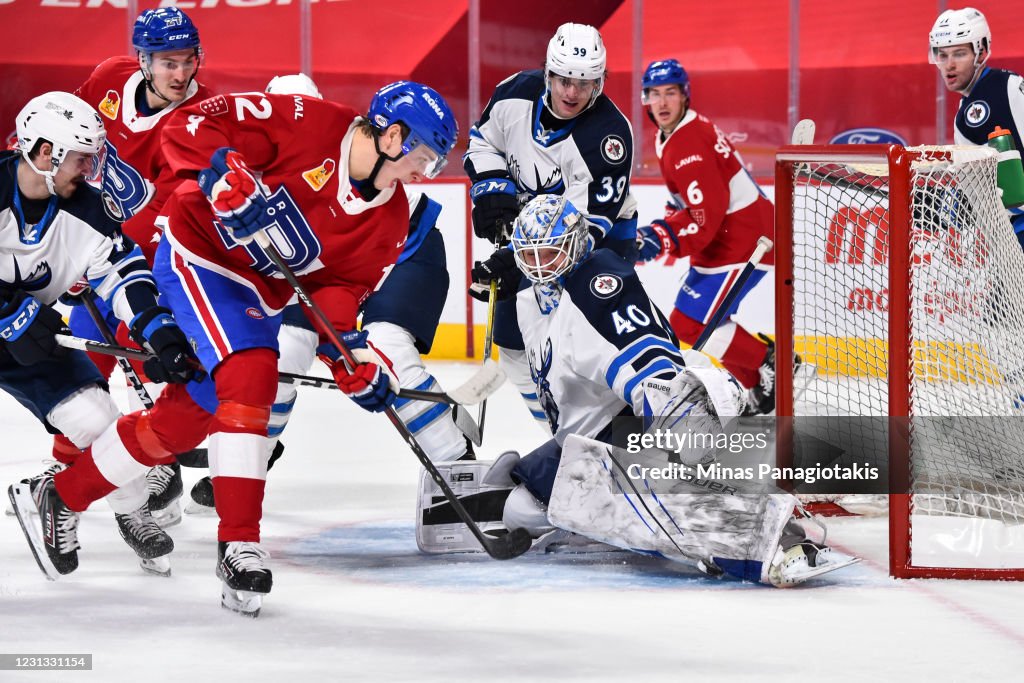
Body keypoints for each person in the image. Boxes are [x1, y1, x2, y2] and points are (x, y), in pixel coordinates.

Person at [12, 81, 458, 617]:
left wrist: (349, 358)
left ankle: (62, 495)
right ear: (392, 136)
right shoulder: (307, 120)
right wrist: (221, 170)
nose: (425, 172)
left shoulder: (388, 222)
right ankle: (240, 543)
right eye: (425, 157)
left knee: (181, 424)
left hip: (256, 294)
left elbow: (334, 297)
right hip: (198, 252)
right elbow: (192, 125)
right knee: (252, 373)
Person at [418, 194, 855, 586]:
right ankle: (615, 515)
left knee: (535, 507)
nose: (540, 268)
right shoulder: (535, 299)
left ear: (575, 243)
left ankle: (749, 531)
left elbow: (647, 362)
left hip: (632, 433)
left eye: (550, 254)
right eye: (529, 258)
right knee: (521, 504)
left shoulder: (597, 278)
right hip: (593, 440)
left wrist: (672, 418)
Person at [185, 75, 470, 513]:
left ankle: (458, 464)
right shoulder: (263, 158)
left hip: (409, 253)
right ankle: (254, 458)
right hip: (340, 269)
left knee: (384, 348)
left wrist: (348, 355)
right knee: (280, 356)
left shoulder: (335, 148)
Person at [4, 92, 196, 579]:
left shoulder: (89, 211)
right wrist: (10, 312)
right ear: (45, 152)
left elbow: (123, 274)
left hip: (32, 340)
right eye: (81, 158)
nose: (90, 170)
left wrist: (159, 331)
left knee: (100, 422)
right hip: (20, 326)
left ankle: (131, 511)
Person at [67, 6, 214, 526]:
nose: (181, 74)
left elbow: (174, 225)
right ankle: (65, 489)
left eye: (189, 60)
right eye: (168, 62)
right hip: (92, 251)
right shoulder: (109, 78)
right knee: (82, 378)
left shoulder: (201, 122)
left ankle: (160, 461)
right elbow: (73, 145)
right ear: (143, 60)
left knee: (171, 362)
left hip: (154, 267)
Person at [464, 22, 638, 428]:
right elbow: (484, 141)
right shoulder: (514, 93)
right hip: (529, 237)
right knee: (511, 341)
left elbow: (581, 230)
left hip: (599, 242)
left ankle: (618, 432)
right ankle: (559, 433)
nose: (571, 93)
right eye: (563, 80)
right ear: (547, 72)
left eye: (584, 82)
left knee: (581, 340)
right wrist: (493, 191)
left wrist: (513, 260)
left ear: (599, 82)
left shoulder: (608, 137)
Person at [634, 59, 777, 414]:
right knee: (691, 322)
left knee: (694, 324)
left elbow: (706, 216)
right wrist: (665, 227)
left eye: (670, 93)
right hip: (728, 238)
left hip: (745, 239)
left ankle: (773, 362)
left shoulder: (688, 142)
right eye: (654, 94)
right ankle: (755, 382)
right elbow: (686, 198)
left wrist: (663, 237)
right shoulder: (674, 134)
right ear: (645, 99)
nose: (662, 102)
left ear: (684, 96)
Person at [928, 7, 1024, 241]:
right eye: (942, 55)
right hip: (1013, 232)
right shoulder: (963, 117)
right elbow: (981, 193)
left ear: (981, 52)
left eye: (959, 54)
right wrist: (936, 203)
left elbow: (1009, 194)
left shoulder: (1007, 87)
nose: (949, 64)